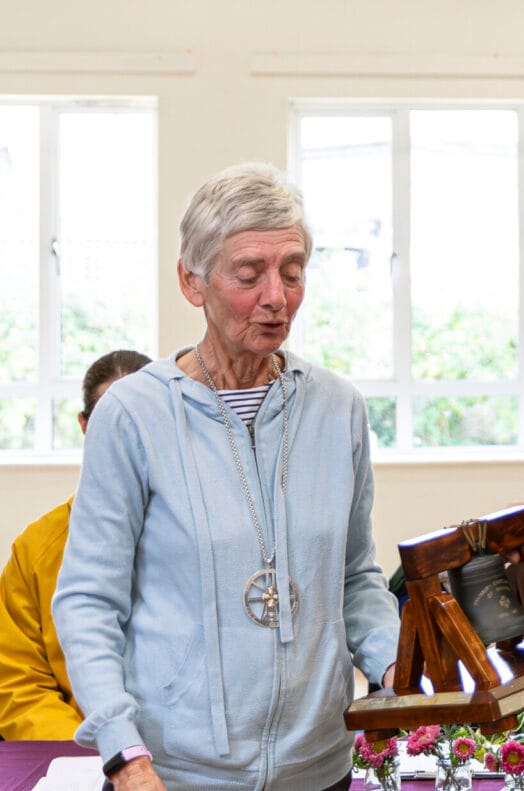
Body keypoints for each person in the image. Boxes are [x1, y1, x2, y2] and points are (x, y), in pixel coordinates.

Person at [53, 163, 400, 790]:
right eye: (249, 275)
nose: (277, 296)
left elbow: (355, 577)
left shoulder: (336, 407)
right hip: (170, 774)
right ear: (193, 281)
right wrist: (122, 752)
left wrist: (400, 664)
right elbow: (87, 601)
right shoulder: (133, 414)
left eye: (292, 273)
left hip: (317, 769)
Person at [0, 350, 151, 741]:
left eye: (144, 418)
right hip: (80, 754)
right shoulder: (36, 549)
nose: (127, 435)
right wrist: (100, 755)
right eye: (109, 419)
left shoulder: (212, 536)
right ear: (85, 426)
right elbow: (19, 685)